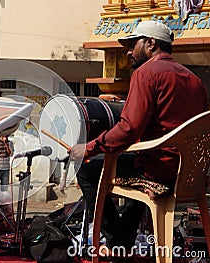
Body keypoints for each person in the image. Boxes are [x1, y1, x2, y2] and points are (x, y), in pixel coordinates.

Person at [69, 20, 207, 255]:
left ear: (151, 44)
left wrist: (90, 148)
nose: (128, 52)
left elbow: (129, 129)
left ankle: (116, 239)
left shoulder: (146, 73)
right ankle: (122, 240)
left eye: (133, 44)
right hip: (190, 173)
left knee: (86, 166)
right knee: (137, 160)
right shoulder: (195, 80)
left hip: (159, 171)